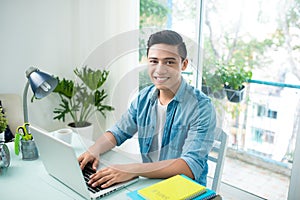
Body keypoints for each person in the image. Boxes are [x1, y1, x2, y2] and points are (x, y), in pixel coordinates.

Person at [78, 30, 216, 189]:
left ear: (183, 64)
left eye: (169, 62)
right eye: (154, 61)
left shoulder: (201, 107)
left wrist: (133, 169)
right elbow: (118, 131)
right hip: (150, 184)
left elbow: (190, 165)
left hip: (184, 189)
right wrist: (94, 149)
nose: (160, 70)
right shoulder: (144, 98)